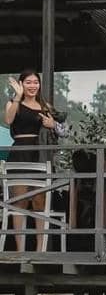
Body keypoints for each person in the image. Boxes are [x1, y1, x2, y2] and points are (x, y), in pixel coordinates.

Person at [3, 70, 58, 252]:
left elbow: (63, 129)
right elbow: (8, 119)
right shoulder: (14, 103)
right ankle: (20, 249)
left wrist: (54, 125)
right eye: (28, 82)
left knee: (39, 201)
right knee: (20, 201)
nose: (33, 86)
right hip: (19, 151)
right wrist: (18, 96)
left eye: (36, 82)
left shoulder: (44, 105)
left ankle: (40, 248)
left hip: (39, 153)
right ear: (21, 84)